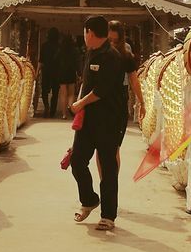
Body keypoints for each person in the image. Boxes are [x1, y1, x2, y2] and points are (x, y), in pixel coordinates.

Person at [70, 15, 125, 231]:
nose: (84, 37)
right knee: (77, 161)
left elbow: (101, 90)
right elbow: (87, 84)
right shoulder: (90, 53)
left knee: (108, 167)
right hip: (88, 120)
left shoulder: (112, 56)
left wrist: (79, 104)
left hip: (109, 121)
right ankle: (90, 199)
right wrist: (79, 113)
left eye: (85, 33)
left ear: (90, 33)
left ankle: (108, 215)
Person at [107, 20, 144, 144]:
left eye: (115, 41)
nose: (112, 44)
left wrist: (142, 103)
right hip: (100, 99)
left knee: (114, 145)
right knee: (102, 146)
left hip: (120, 97)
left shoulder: (126, 54)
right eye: (109, 40)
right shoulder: (98, 53)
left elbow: (134, 81)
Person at [38, 27, 61, 118]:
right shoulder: (60, 47)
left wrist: (37, 72)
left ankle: (46, 107)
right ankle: (52, 111)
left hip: (46, 71)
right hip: (56, 71)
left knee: (44, 91)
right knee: (55, 92)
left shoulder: (44, 46)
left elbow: (41, 61)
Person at [57, 31, 79, 117]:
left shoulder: (60, 49)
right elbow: (77, 62)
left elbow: (56, 59)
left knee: (63, 93)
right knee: (71, 93)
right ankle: (70, 107)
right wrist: (79, 72)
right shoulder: (75, 50)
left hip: (62, 72)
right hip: (71, 72)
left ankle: (64, 114)